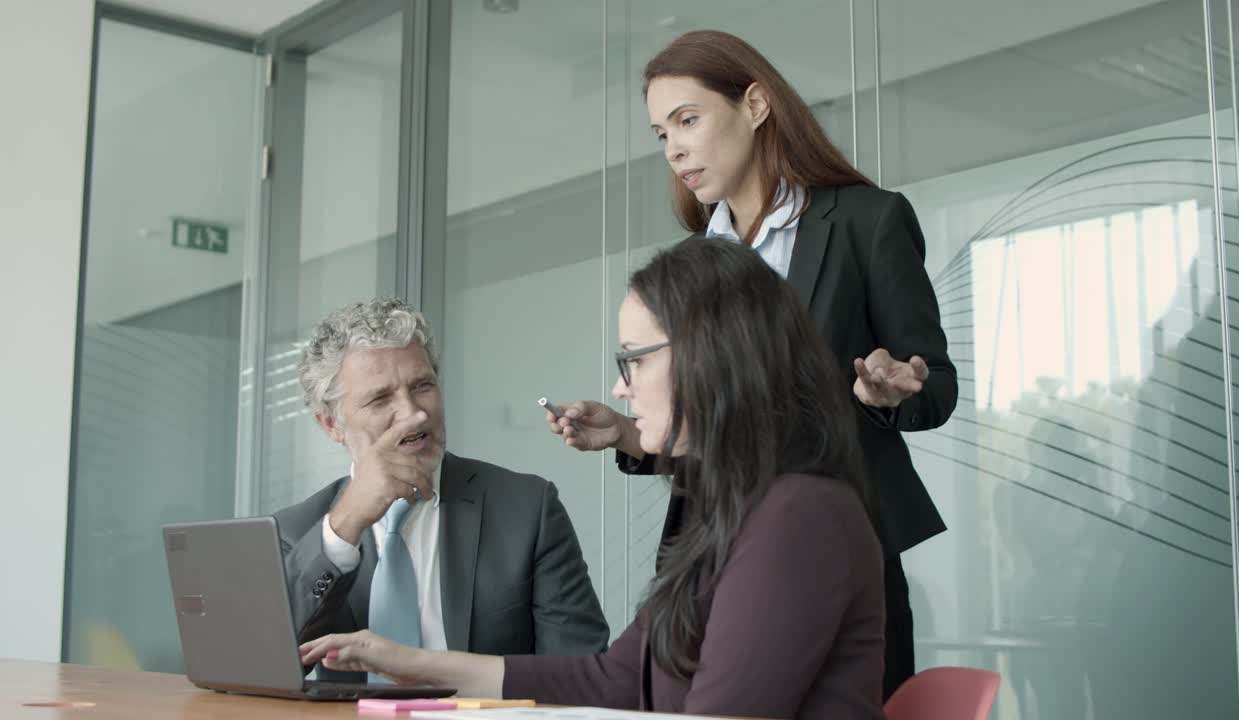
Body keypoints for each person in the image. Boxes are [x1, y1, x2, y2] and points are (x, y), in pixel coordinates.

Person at [300, 239, 887, 720]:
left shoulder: (796, 517)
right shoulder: (736, 508)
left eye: (635, 359)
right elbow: (614, 678)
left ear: (712, 354)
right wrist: (408, 662)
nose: (620, 388)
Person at [546, 29, 957, 699]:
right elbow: (721, 426)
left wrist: (889, 394)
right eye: (661, 133)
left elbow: (935, 385)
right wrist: (625, 433)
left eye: (688, 120)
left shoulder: (866, 221)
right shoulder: (695, 260)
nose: (673, 148)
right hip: (715, 554)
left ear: (757, 105)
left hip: (837, 541)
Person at [274, 298, 608, 678]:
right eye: (380, 398)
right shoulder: (296, 533)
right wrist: (344, 525)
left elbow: (581, 676)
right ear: (331, 425)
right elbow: (263, 665)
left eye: (423, 386)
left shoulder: (527, 509)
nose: (415, 414)